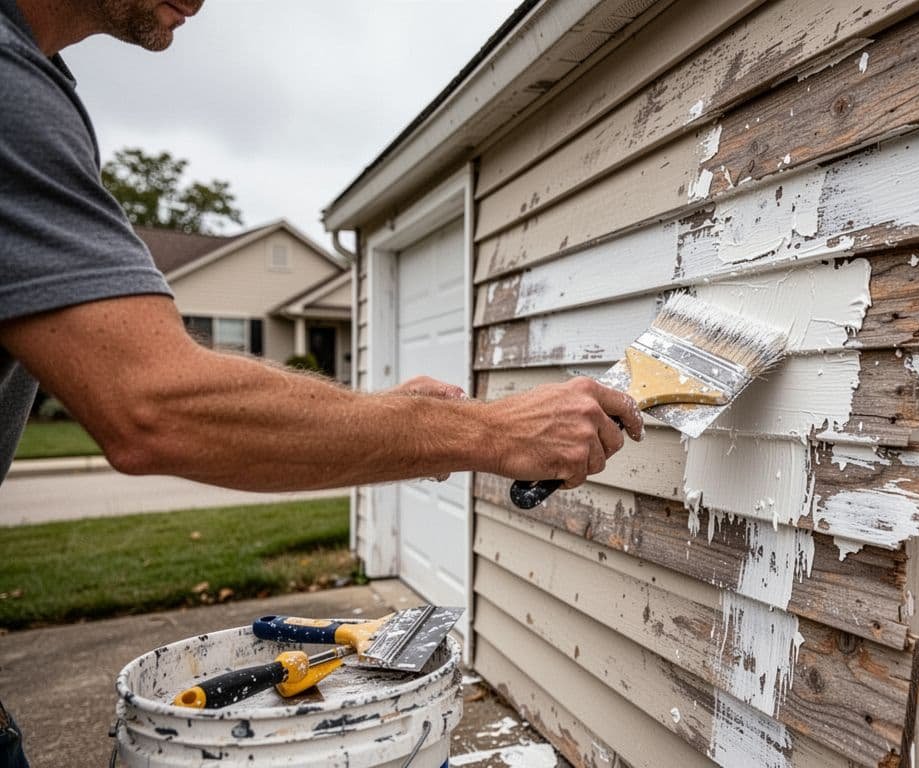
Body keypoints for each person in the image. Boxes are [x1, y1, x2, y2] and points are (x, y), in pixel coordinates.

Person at [0, 1, 643, 763]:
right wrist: (490, 433)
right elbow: (155, 407)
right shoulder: (10, 88)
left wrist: (395, 423)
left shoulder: (35, 82)